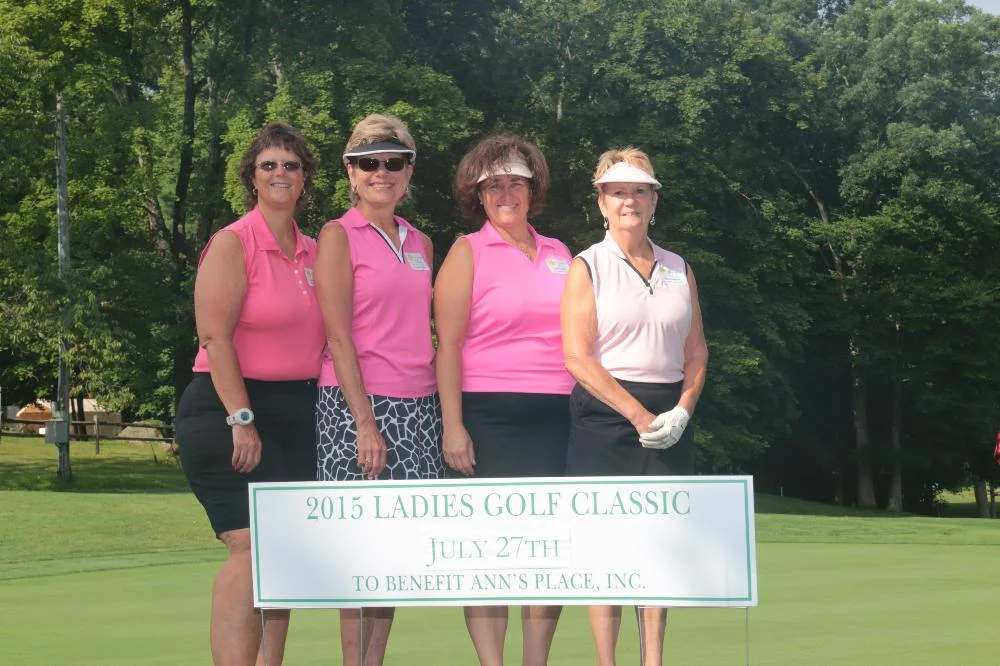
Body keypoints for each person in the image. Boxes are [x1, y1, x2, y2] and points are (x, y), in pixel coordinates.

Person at [175, 121, 324, 666]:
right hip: (227, 409)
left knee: (280, 555)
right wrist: (241, 418)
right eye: (269, 165)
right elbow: (215, 337)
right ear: (253, 177)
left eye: (290, 165)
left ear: (304, 178)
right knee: (250, 547)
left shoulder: (315, 250)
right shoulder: (234, 242)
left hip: (298, 414)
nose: (280, 173)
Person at [560, 148, 709, 666]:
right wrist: (638, 416)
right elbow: (577, 357)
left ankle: (653, 661)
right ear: (601, 202)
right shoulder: (587, 265)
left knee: (659, 546)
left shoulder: (678, 267)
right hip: (606, 414)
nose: (630, 201)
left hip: (670, 414)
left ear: (654, 201)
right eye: (618, 191)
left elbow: (696, 351)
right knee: (606, 549)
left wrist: (683, 410)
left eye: (640, 191)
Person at [434, 134, 575, 666]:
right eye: (493, 185)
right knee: (486, 552)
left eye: (516, 182)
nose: (506, 193)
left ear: (533, 190)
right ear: (479, 195)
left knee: (546, 551)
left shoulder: (561, 253)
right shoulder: (467, 251)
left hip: (557, 415)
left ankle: (535, 661)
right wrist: (453, 426)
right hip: (486, 416)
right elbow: (447, 347)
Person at [314, 113, 442, 666]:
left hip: (419, 407)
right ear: (351, 171)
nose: (381, 173)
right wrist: (364, 423)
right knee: (358, 558)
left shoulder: (422, 242)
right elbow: (337, 334)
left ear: (409, 171)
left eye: (393, 162)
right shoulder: (337, 235)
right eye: (368, 163)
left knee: (394, 560)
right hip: (356, 407)